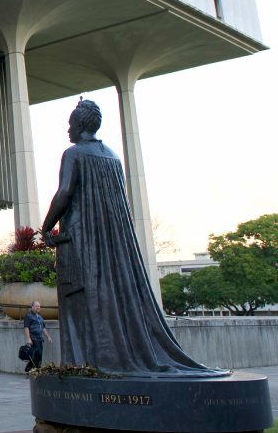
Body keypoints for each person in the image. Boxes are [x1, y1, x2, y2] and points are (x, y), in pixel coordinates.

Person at [40, 99, 222, 376]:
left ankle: (81, 364)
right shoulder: (112, 156)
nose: (68, 129)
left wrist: (47, 227)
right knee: (102, 300)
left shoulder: (74, 154)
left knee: (78, 303)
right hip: (109, 247)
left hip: (79, 243)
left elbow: (64, 193)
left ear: (79, 125)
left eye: (70, 124)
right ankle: (99, 360)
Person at [22, 301, 53, 372]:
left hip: (39, 339)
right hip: (33, 338)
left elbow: (43, 328)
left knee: (39, 354)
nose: (38, 307)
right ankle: (34, 369)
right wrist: (28, 339)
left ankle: (35, 369)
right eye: (36, 306)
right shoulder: (28, 316)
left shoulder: (39, 317)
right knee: (37, 354)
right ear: (32, 307)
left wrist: (48, 337)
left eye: (39, 306)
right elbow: (26, 327)